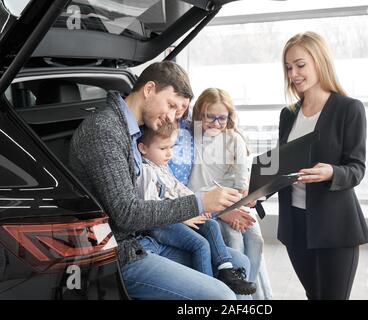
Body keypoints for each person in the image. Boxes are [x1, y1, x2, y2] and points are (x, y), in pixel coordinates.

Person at [69, 61, 251, 300]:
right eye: (171, 105)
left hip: (147, 240)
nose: (173, 116)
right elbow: (127, 213)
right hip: (120, 254)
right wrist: (200, 203)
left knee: (240, 261)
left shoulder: (132, 130)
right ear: (148, 89)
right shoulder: (104, 130)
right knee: (222, 297)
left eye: (179, 110)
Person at [277, 31, 368, 300]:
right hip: (295, 224)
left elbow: (357, 168)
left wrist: (332, 172)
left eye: (300, 64)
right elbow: (283, 165)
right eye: (288, 67)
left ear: (319, 61)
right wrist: (256, 192)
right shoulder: (288, 114)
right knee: (313, 295)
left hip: (335, 226)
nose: (293, 73)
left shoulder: (349, 109)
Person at [135, 122, 257, 295]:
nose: (169, 153)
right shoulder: (146, 171)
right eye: (163, 148)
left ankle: (225, 269)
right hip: (161, 225)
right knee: (200, 244)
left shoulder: (162, 167)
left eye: (171, 147)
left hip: (177, 216)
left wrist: (197, 206)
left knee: (211, 225)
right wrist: (184, 215)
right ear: (143, 148)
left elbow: (180, 189)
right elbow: (151, 208)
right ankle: (209, 288)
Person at [186, 88, 273, 299]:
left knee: (255, 238)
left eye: (222, 118)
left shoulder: (234, 139)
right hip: (209, 205)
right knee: (235, 241)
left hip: (233, 202)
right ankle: (238, 297)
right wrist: (224, 209)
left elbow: (241, 182)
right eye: (210, 117)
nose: (216, 123)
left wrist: (242, 200)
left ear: (229, 117)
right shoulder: (191, 139)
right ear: (198, 113)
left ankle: (249, 292)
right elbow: (192, 187)